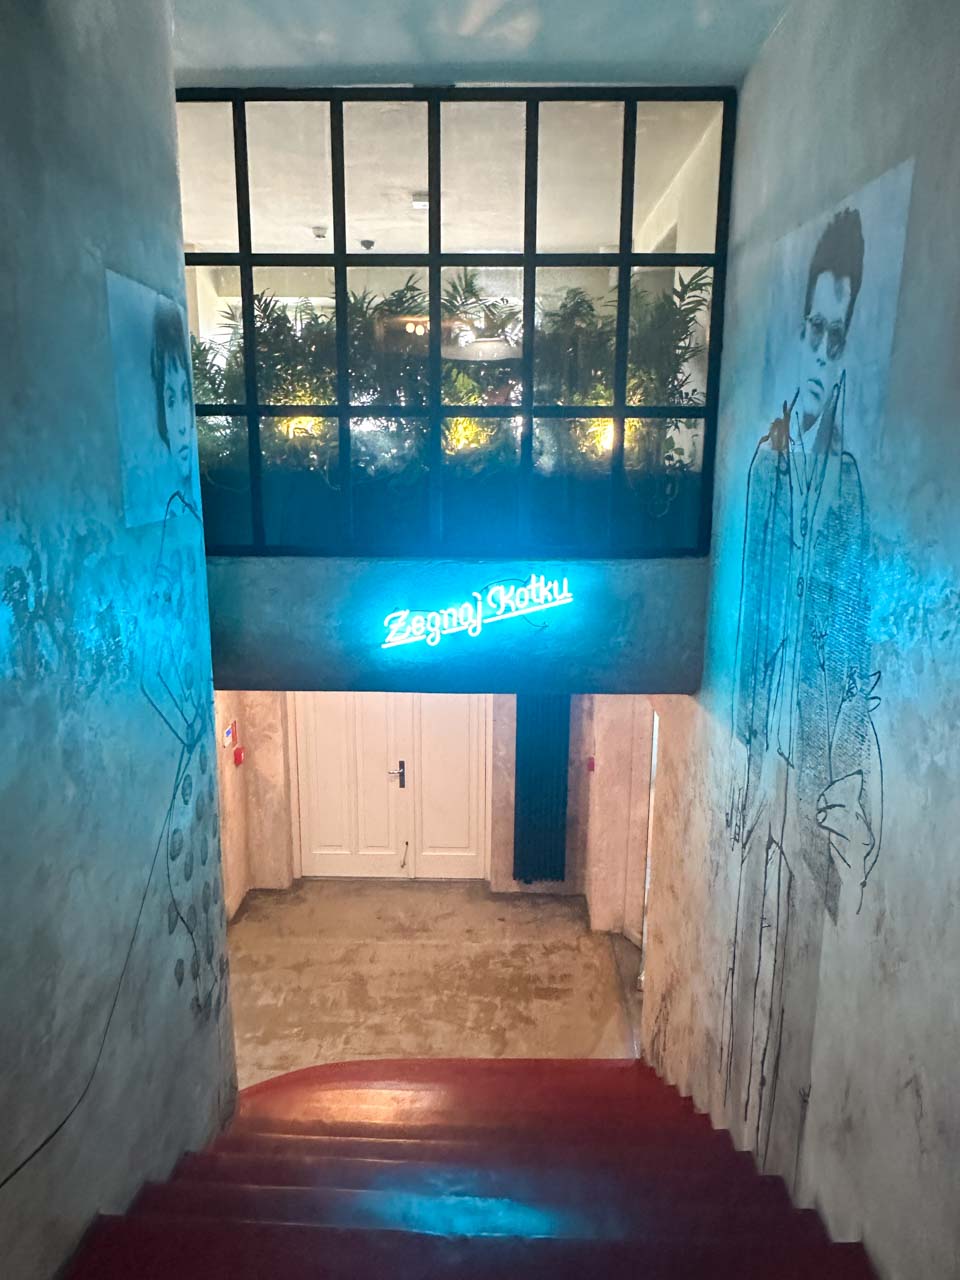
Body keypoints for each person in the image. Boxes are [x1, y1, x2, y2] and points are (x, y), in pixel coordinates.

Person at [721, 208, 883, 1171]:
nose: (823, 353)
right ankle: (729, 1152)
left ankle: (768, 1169)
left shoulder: (850, 487)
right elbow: (745, 624)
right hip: (760, 764)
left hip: (812, 778)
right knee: (744, 975)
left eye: (839, 335)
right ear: (799, 334)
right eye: (814, 333)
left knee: (802, 1002)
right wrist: (745, 758)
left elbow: (851, 645)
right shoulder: (764, 468)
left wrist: (835, 791)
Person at [141, 295, 226, 1025]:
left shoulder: (181, 509)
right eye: (170, 394)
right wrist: (191, 726)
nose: (179, 411)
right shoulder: (172, 520)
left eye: (184, 391)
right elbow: (148, 659)